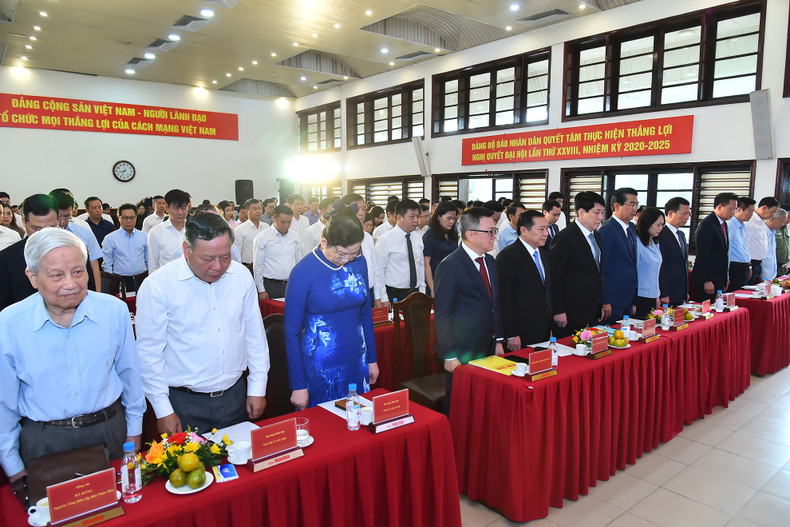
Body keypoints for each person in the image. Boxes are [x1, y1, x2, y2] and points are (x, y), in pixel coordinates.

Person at [0, 228, 145, 489]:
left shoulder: (113, 311)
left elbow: (130, 375)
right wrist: (12, 464)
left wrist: (134, 430)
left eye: (78, 272)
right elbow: (4, 404)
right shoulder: (9, 324)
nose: (71, 284)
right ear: (32, 277)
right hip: (45, 440)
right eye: (57, 275)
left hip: (109, 430)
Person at [136, 212, 270, 434]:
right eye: (208, 259)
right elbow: (149, 354)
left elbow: (255, 336)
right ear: (186, 250)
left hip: (234, 396)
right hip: (183, 402)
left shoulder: (241, 277)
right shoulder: (158, 286)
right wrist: (162, 409)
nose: (218, 266)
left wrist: (257, 387)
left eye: (225, 256)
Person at [284, 209, 378, 408]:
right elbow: (291, 332)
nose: (347, 260)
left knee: (357, 416)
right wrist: (298, 385)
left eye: (353, 253)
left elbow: (365, 316)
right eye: (341, 254)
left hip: (356, 357)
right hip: (320, 365)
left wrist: (372, 359)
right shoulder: (303, 272)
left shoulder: (359, 262)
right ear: (324, 242)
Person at [434, 207, 504, 414]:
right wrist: (448, 355)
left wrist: (499, 339)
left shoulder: (489, 261)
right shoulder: (450, 265)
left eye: (494, 231)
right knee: (460, 402)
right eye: (489, 232)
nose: (494, 236)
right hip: (463, 349)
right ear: (470, 234)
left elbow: (495, 303)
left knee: (485, 401)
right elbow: (443, 314)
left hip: (488, 344)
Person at [549, 191, 606, 337]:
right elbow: (554, 277)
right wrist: (558, 310)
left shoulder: (596, 236)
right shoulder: (565, 237)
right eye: (596, 212)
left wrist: (600, 304)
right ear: (581, 212)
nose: (600, 217)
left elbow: (597, 271)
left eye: (602, 213)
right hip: (571, 311)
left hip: (592, 307)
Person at [496, 210, 551, 349]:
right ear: (524, 230)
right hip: (521, 331)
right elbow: (505, 298)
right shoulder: (508, 257)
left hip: (543, 328)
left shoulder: (544, 255)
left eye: (547, 228)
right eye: (541, 229)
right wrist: (511, 334)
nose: (546, 233)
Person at [0, 194, 59, 311]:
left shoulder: (75, 252)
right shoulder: (6, 259)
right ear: (24, 222)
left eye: (51, 228)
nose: (43, 235)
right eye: (37, 229)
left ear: (59, 221)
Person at [374, 199, 425, 307]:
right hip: (394, 293)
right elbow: (379, 271)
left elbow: (420, 266)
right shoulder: (385, 239)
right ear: (399, 217)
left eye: (418, 216)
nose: (416, 220)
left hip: (415, 292)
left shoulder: (418, 237)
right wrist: (383, 297)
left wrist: (422, 291)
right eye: (412, 216)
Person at [599, 187, 639, 323]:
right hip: (613, 299)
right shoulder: (607, 231)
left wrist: (634, 300)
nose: (635, 209)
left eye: (636, 205)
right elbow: (604, 268)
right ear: (616, 206)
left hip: (629, 297)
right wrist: (605, 300)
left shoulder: (632, 228)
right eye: (631, 205)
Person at [50, 190, 102, 293]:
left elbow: (94, 267)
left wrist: (98, 294)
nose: (62, 222)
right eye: (58, 216)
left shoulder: (84, 233)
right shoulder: (41, 235)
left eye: (67, 216)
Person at [691, 192, 737, 301]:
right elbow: (703, 255)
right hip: (708, 280)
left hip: (719, 278)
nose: (733, 212)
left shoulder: (723, 224)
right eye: (731, 209)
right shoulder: (707, 225)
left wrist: (725, 277)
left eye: (735, 209)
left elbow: (723, 253)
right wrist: (707, 280)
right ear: (720, 207)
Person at [253, 204, 300, 299]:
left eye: (289, 222)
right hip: (271, 286)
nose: (286, 225)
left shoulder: (294, 236)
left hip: (291, 284)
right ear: (274, 219)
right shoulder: (263, 237)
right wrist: (261, 290)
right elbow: (257, 266)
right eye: (283, 222)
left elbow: (298, 261)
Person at [101, 203, 148, 291]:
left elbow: (148, 259)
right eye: (125, 218)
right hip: (120, 281)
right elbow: (107, 263)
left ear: (136, 218)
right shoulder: (110, 238)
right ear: (119, 218)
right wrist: (112, 281)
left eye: (132, 218)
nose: (129, 221)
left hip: (142, 279)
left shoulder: (144, 236)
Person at [341, 193, 377, 300]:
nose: (361, 213)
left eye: (363, 209)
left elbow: (374, 268)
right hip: (348, 295)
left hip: (369, 293)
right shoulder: (338, 238)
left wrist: (378, 296)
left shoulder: (368, 237)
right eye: (357, 209)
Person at [147, 189, 191, 274]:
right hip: (167, 278)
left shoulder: (194, 229)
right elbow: (153, 264)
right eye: (176, 208)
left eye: (184, 208)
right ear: (166, 208)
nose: (180, 212)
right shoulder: (156, 232)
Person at [658, 197, 691, 307]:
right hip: (667, 292)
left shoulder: (681, 235)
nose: (687, 217)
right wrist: (663, 293)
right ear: (671, 213)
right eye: (684, 213)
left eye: (689, 214)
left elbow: (683, 265)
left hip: (680, 291)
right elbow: (660, 266)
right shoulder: (661, 234)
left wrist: (685, 291)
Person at [423, 201, 459, 296]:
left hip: (450, 280)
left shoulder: (452, 235)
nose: (452, 222)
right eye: (449, 218)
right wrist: (432, 288)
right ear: (439, 217)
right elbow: (426, 264)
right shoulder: (430, 235)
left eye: (454, 218)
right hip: (436, 280)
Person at [634, 207, 665, 317]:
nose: (660, 228)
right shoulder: (637, 242)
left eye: (662, 225)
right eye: (658, 225)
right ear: (648, 222)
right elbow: (634, 271)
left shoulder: (654, 242)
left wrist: (657, 294)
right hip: (640, 295)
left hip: (653, 293)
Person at [745, 197, 779, 284]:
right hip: (751, 263)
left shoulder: (762, 222)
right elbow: (746, 245)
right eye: (772, 212)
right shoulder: (750, 221)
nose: (773, 215)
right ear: (764, 208)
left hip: (759, 263)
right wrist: (749, 266)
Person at [726, 197, 756, 291]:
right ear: (738, 209)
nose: (751, 214)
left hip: (744, 267)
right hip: (734, 268)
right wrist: (726, 274)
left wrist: (749, 266)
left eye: (753, 211)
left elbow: (744, 249)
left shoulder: (742, 226)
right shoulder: (730, 225)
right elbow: (727, 250)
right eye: (750, 211)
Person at [233, 198, 267, 271]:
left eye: (259, 208)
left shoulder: (266, 227)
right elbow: (237, 253)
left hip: (265, 266)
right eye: (254, 209)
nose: (258, 211)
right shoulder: (240, 229)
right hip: (248, 266)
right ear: (247, 211)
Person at [761, 209, 787, 281]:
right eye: (781, 221)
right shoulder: (762, 232)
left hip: (772, 274)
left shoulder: (774, 232)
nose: (782, 224)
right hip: (762, 274)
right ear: (773, 219)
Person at [776, 208, 790, 274]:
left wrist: (785, 264)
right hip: (775, 264)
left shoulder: (784, 229)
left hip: (783, 265)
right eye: (788, 217)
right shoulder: (775, 228)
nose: (788, 220)